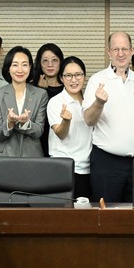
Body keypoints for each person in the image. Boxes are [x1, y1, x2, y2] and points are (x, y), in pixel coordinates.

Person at [83, 32, 134, 202]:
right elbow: (88, 120)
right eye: (116, 49)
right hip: (106, 162)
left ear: (132, 50)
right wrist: (99, 103)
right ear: (108, 51)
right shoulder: (97, 80)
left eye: (124, 49)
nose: (120, 53)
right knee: (106, 212)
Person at [0, 46, 48, 157]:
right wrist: (9, 123)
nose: (20, 70)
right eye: (15, 65)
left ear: (30, 67)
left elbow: (39, 131)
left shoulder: (41, 94)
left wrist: (26, 123)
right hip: (5, 156)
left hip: (31, 156)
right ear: (8, 68)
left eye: (24, 65)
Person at [48, 56, 93, 198]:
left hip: (87, 168)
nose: (74, 80)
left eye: (78, 74)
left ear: (84, 76)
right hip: (63, 167)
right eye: (68, 76)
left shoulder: (90, 102)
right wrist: (66, 121)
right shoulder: (56, 102)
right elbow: (60, 134)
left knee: (84, 209)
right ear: (61, 78)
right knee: (63, 210)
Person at [32, 43, 64, 156]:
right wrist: (40, 90)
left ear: (61, 62)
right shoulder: (31, 87)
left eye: (54, 60)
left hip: (60, 143)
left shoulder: (68, 87)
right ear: (39, 63)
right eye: (45, 61)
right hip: (36, 143)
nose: (50, 64)